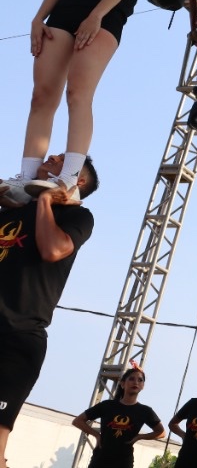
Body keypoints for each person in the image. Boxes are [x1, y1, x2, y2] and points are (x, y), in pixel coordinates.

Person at [0, 0, 162, 205]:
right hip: (62, 17)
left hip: (103, 19)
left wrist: (97, 15)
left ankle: (69, 178)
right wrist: (37, 18)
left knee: (78, 93)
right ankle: (26, 177)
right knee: (41, 96)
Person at [0, 154, 99, 467]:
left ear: (76, 181)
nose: (53, 157)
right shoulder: (13, 209)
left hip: (16, 339)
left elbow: (53, 249)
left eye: (63, 160)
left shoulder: (78, 217)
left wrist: (44, 200)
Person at [72, 366, 165, 468]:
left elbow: (161, 432)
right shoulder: (107, 405)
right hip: (101, 459)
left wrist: (140, 437)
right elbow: (77, 421)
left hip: (124, 461)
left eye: (140, 380)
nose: (136, 382)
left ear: (143, 386)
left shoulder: (145, 411)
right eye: (131, 379)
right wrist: (96, 435)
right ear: (122, 384)